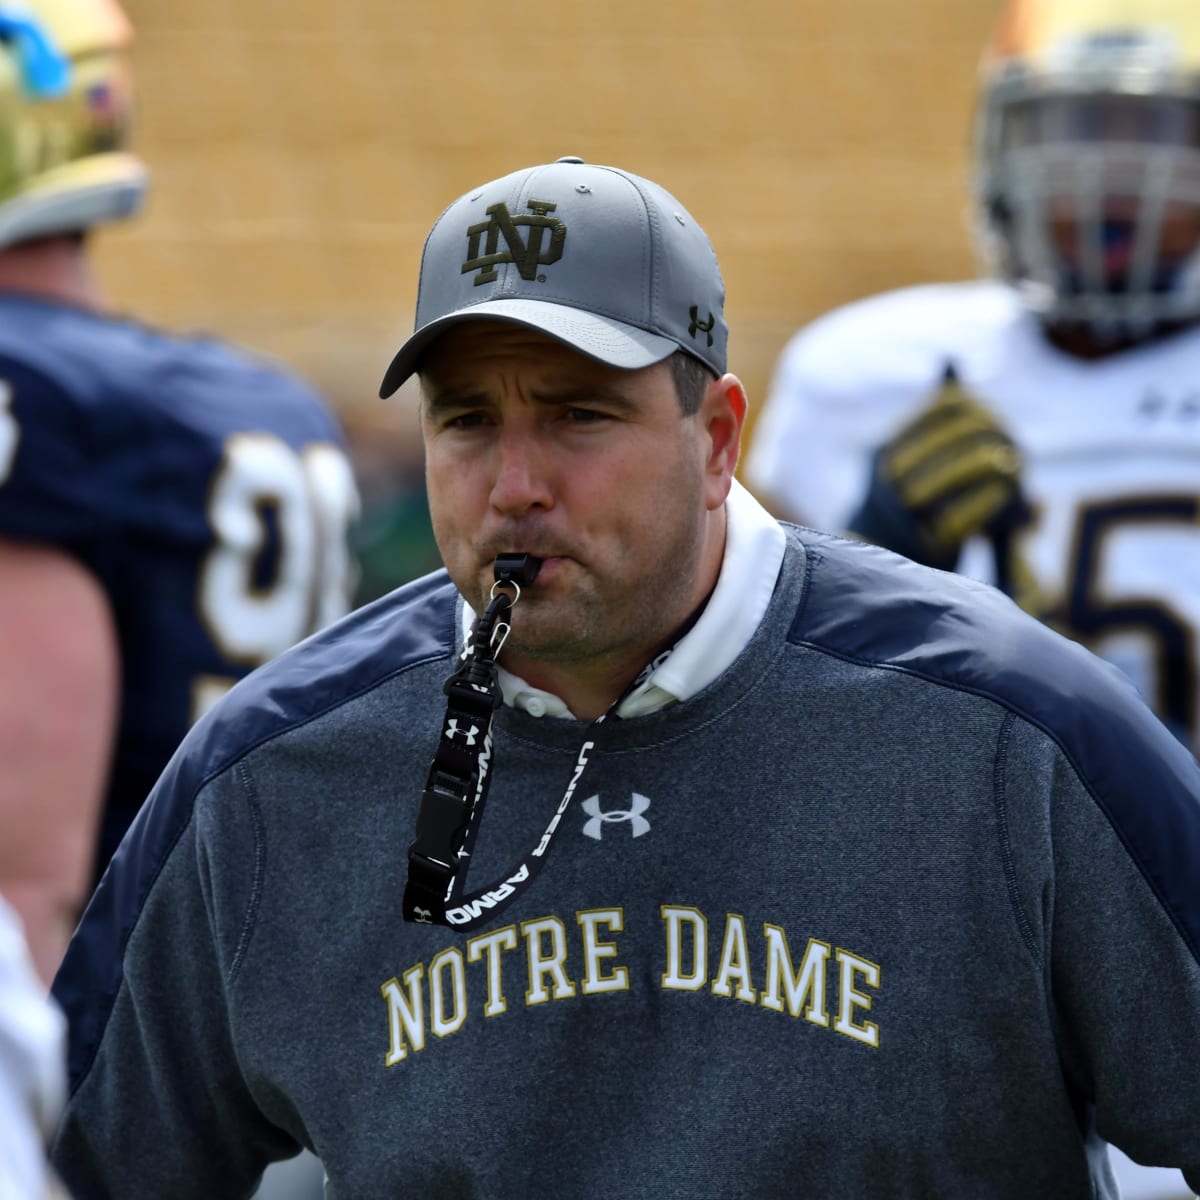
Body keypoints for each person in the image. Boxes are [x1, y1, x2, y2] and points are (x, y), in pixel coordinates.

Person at [48, 155, 1200, 1199]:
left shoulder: (1012, 730)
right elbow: (71, 1165)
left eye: (577, 416)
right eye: (465, 421)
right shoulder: (269, 775)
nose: (514, 484)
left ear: (719, 439)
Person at [0, 0, 360, 992]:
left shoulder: (30, 390)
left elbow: (24, 874)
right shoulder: (264, 398)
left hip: (85, 1023)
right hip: (264, 991)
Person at [745, 0, 1200, 769]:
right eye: (1081, 128)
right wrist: (867, 556)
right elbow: (765, 714)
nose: (1115, 176)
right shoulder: (866, 372)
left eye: (1156, 132)